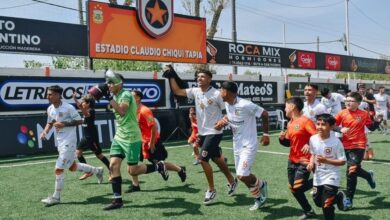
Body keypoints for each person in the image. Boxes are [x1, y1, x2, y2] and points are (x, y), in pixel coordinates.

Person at [163, 66, 237, 205]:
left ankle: (211, 190)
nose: (199, 78)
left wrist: (223, 121)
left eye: (202, 77)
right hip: (203, 132)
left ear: (209, 79)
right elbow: (177, 91)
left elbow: (229, 110)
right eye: (198, 77)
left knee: (202, 159)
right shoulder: (195, 91)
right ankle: (232, 181)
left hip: (214, 132)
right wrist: (171, 76)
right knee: (217, 159)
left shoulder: (217, 94)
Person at [102, 72, 168, 210]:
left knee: (133, 171)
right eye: (107, 83)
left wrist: (108, 98)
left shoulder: (126, 94)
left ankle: (158, 166)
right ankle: (117, 200)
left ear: (119, 83)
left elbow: (122, 111)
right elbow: (113, 109)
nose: (108, 85)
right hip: (119, 136)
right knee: (113, 165)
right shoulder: (117, 96)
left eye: (111, 83)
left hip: (131, 137)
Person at [40, 85, 104, 206]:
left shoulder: (68, 108)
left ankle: (56, 197)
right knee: (72, 166)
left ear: (58, 95)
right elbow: (50, 122)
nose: (48, 96)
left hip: (69, 141)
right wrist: (45, 132)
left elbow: (80, 121)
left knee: (58, 168)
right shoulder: (50, 109)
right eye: (48, 94)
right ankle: (97, 170)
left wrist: (64, 124)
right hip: (60, 142)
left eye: (50, 94)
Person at [216, 81, 270, 211]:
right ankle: (260, 191)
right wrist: (224, 120)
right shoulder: (228, 104)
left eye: (221, 90)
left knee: (241, 174)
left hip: (248, 144)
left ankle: (260, 190)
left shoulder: (245, 104)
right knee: (243, 176)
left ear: (227, 92)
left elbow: (265, 114)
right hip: (237, 145)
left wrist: (266, 134)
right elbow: (230, 116)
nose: (219, 92)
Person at [126, 90, 187, 193]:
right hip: (139, 142)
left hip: (150, 142)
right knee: (132, 164)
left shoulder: (145, 110)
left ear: (138, 98)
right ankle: (135, 185)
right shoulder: (132, 110)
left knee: (159, 163)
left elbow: (154, 128)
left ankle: (180, 170)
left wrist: (152, 142)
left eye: (132, 96)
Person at [335, 92, 380, 211]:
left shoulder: (364, 114)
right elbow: (333, 125)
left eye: (351, 101)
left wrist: (377, 121)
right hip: (344, 145)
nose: (348, 103)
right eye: (346, 100)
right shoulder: (342, 113)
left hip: (359, 145)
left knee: (351, 171)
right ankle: (368, 176)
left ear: (358, 103)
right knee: (354, 170)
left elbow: (371, 127)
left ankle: (349, 199)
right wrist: (340, 129)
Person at [279, 97, 317, 220]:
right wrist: (282, 139)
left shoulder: (306, 121)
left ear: (292, 107)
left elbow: (318, 138)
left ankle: (320, 182)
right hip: (292, 160)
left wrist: (309, 144)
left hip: (304, 160)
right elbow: (289, 143)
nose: (284, 108)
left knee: (298, 187)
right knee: (293, 188)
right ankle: (308, 210)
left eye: (286, 106)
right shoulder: (289, 123)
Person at [307, 113, 346, 220]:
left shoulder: (336, 142)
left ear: (332, 126)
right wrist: (311, 163)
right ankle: (338, 198)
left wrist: (326, 160)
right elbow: (313, 154)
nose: (319, 127)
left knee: (327, 204)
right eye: (318, 124)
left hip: (332, 175)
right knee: (318, 202)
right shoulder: (312, 139)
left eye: (323, 124)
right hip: (318, 175)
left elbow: (343, 162)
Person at [72, 94, 110, 180]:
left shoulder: (91, 111)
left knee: (99, 155)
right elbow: (81, 107)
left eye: (84, 102)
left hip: (92, 137)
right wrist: (75, 99)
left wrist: (81, 107)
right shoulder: (85, 109)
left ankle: (111, 170)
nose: (82, 103)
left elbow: (85, 113)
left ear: (88, 104)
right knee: (78, 153)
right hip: (86, 137)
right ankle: (88, 171)